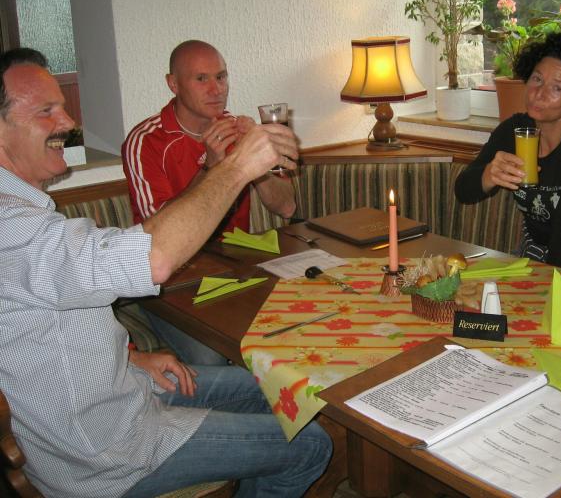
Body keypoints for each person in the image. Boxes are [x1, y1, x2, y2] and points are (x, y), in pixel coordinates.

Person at [0, 48, 331, 497]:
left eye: (62, 106)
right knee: (310, 444)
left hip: (127, 390)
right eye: (46, 110)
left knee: (287, 386)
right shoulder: (11, 227)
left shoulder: (25, 213)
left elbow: (31, 333)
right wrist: (234, 167)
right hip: (106, 452)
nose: (68, 121)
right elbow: (152, 258)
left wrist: (131, 359)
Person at [122, 40, 298, 365]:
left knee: (297, 317)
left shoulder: (237, 129)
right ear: (173, 84)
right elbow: (157, 239)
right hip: (171, 281)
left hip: (234, 268)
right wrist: (212, 168)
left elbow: (286, 207)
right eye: (201, 79)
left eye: (221, 77)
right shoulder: (146, 140)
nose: (216, 89)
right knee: (214, 354)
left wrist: (254, 159)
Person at [455, 32, 561, 278]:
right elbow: (463, 191)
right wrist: (488, 175)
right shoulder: (513, 130)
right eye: (537, 79)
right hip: (534, 253)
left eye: (557, 88)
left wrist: (543, 289)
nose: (539, 93)